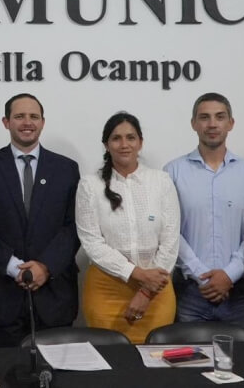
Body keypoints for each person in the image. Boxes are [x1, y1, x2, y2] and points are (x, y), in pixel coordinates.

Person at [0, 93, 81, 346]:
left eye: (34, 116)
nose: (27, 122)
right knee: (4, 375)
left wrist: (45, 267)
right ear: (6, 122)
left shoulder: (66, 168)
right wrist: (12, 267)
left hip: (54, 296)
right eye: (19, 116)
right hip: (0, 295)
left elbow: (74, 227)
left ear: (42, 122)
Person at [75, 112, 180, 344]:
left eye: (131, 138)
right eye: (116, 138)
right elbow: (92, 242)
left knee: (156, 365)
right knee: (110, 366)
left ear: (140, 142)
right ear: (106, 144)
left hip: (157, 289)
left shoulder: (161, 181)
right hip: (106, 289)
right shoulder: (90, 185)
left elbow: (171, 241)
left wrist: (146, 290)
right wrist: (137, 274)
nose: (124, 145)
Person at [164, 93, 244, 332]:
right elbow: (169, 231)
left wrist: (229, 275)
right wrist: (201, 275)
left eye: (220, 117)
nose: (212, 124)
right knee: (187, 365)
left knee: (241, 363)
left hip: (238, 293)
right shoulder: (173, 171)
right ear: (193, 123)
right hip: (189, 292)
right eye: (204, 117)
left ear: (231, 123)